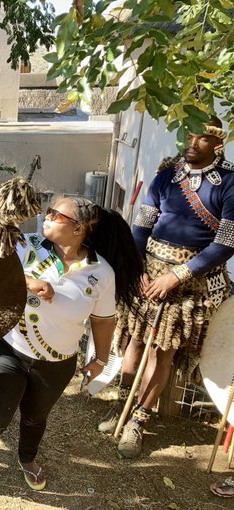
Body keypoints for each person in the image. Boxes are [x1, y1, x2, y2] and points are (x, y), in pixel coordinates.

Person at [0, 197, 144, 497]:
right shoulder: (25, 245)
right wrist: (29, 281)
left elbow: (103, 321)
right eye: (48, 210)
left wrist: (100, 359)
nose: (47, 215)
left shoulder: (102, 273)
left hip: (57, 363)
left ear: (80, 228)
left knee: (35, 417)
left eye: (56, 214)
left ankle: (27, 458)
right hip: (8, 350)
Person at [101, 118, 234, 457]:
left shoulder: (230, 184)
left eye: (200, 138)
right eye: (187, 135)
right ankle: (123, 406)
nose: (190, 143)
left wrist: (177, 276)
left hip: (190, 282)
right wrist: (138, 268)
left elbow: (225, 244)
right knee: (131, 345)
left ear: (217, 143)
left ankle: (139, 420)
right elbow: (141, 227)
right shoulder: (165, 177)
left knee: (162, 352)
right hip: (148, 273)